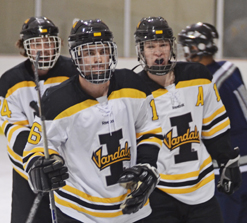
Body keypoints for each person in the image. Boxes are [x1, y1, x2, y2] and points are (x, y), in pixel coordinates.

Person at [23, 19, 163, 223]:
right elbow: (36, 148)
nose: (98, 59)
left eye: (102, 51)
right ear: (76, 57)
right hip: (78, 213)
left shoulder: (134, 85)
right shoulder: (57, 100)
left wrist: (147, 165)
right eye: (89, 53)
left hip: (133, 209)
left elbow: (149, 128)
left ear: (111, 53)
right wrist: (40, 165)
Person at [133, 16, 242, 223]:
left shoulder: (198, 76)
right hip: (159, 194)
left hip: (202, 191)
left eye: (163, 44)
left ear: (172, 46)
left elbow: (214, 127)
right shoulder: (134, 91)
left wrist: (227, 159)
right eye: (150, 46)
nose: (158, 52)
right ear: (141, 51)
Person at [178, 22, 247, 223]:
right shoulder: (229, 68)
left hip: (230, 165)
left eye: (188, 46)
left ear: (198, 47)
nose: (185, 52)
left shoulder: (207, 82)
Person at [0, 16, 79, 223]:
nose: (43, 49)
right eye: (36, 43)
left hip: (70, 171)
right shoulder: (10, 81)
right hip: (27, 173)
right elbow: (12, 128)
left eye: (49, 42)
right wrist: (36, 161)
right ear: (24, 47)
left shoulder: (75, 72)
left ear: (58, 44)